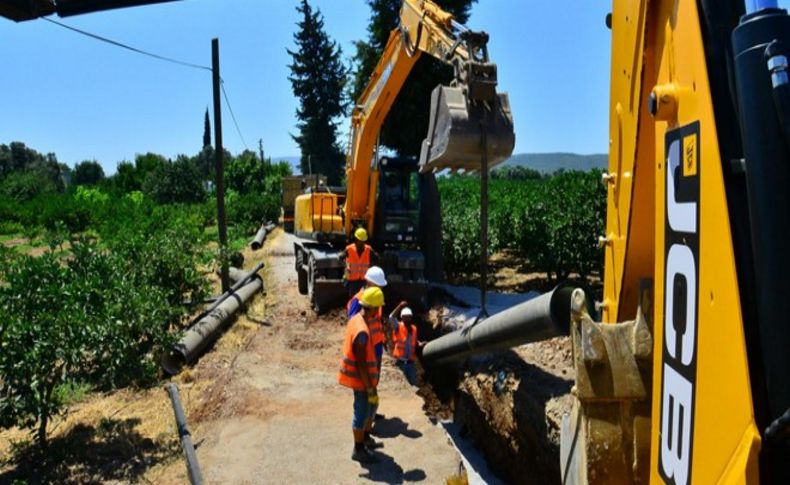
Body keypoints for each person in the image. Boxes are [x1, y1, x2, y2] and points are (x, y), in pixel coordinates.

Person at [338, 287, 385, 463]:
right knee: (361, 411)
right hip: (361, 380)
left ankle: (364, 440)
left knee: (367, 408)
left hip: (363, 379)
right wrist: (370, 388)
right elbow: (361, 363)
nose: (378, 311)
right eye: (378, 308)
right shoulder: (362, 331)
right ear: (372, 308)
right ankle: (358, 449)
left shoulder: (357, 318)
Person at [388, 301, 423, 386]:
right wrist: (399, 306)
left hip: (410, 363)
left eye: (409, 317)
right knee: (400, 385)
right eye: (405, 317)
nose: (407, 319)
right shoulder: (398, 326)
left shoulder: (414, 328)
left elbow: (414, 340)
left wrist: (419, 343)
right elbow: (391, 317)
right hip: (400, 363)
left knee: (414, 384)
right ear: (402, 317)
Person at [339, 227, 379, 297]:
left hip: (364, 280)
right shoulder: (349, 249)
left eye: (363, 241)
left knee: (363, 298)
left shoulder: (368, 249)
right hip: (352, 280)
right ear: (356, 240)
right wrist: (346, 267)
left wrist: (371, 268)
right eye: (360, 240)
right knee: (353, 298)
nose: (361, 243)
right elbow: (340, 258)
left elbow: (377, 258)